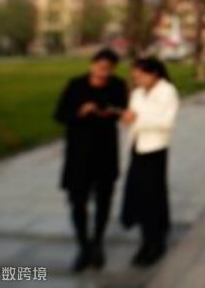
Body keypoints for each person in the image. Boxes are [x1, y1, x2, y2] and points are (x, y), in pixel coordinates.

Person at [54, 48, 128, 272]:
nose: (103, 71)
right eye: (100, 66)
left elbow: (122, 110)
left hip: (105, 151)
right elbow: (60, 115)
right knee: (78, 201)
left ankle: (97, 243)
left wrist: (109, 112)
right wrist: (81, 111)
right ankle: (83, 246)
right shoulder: (76, 84)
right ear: (91, 65)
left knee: (104, 199)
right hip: (79, 152)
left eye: (108, 68)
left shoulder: (117, 85)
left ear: (113, 69)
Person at [120, 57, 180, 266]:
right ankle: (146, 239)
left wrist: (136, 119)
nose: (136, 78)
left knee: (153, 196)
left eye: (139, 75)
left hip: (155, 149)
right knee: (138, 195)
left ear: (153, 74)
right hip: (137, 147)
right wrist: (128, 119)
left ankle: (155, 242)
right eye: (134, 75)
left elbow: (166, 123)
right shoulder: (137, 93)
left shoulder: (167, 91)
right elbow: (132, 118)